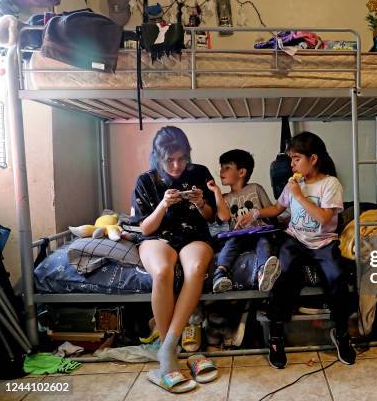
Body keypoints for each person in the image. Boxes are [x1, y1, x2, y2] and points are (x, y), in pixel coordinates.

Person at [236, 132, 356, 369]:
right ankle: (276, 335)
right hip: (295, 238)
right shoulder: (294, 183)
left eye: (296, 159)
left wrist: (299, 195)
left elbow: (323, 218)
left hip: (324, 241)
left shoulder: (330, 184)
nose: (292, 165)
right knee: (285, 272)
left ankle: (341, 333)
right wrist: (256, 214)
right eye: (291, 159)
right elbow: (278, 208)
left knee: (337, 277)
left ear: (313, 158)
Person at [131, 126, 216, 392]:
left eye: (182, 158)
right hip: (158, 238)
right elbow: (144, 228)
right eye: (170, 160)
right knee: (162, 271)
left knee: (196, 267)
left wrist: (201, 203)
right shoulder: (146, 180)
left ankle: (168, 347)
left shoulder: (199, 173)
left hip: (193, 236)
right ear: (158, 157)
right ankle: (171, 353)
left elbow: (211, 217)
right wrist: (163, 205)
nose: (177, 165)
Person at [207, 149, 281, 293]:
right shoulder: (225, 197)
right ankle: (220, 274)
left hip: (259, 232)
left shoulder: (255, 188)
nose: (221, 171)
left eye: (227, 167)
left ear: (241, 172)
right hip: (238, 235)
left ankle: (263, 272)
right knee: (230, 244)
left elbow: (271, 211)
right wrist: (216, 192)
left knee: (264, 242)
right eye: (221, 167)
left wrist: (255, 214)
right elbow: (224, 217)